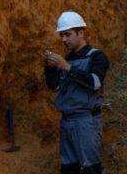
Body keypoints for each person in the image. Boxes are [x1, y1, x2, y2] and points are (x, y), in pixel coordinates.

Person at [43, 11, 109, 174]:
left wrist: (67, 67)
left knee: (90, 169)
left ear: (81, 33)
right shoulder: (68, 59)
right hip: (67, 121)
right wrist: (50, 68)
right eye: (62, 35)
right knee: (69, 169)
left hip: (86, 121)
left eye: (67, 34)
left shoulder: (97, 56)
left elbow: (95, 82)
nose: (64, 39)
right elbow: (55, 87)